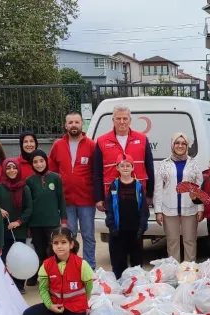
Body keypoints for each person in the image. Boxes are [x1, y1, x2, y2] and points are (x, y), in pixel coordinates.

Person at [22, 227, 94, 315]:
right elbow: (43, 288)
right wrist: (50, 305)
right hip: (55, 307)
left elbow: (89, 287)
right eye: (56, 243)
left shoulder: (82, 264)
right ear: (52, 245)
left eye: (63, 242)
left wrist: (84, 305)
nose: (59, 246)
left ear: (71, 245)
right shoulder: (46, 264)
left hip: (76, 308)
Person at [49, 112, 98, 268]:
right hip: (66, 200)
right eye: (70, 123)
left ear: (82, 124)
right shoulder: (58, 145)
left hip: (86, 199)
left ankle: (90, 268)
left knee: (88, 236)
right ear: (65, 125)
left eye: (76, 122)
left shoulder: (91, 145)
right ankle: (71, 266)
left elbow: (96, 171)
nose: (73, 125)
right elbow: (52, 171)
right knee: (69, 236)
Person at [93, 105, 156, 228]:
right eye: (118, 118)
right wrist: (99, 198)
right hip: (113, 195)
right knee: (115, 231)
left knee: (137, 232)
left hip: (137, 194)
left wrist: (149, 194)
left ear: (130, 120)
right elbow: (97, 172)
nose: (122, 122)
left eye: (125, 118)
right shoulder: (101, 141)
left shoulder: (142, 139)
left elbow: (149, 168)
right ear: (113, 120)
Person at [154, 132, 204, 262]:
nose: (180, 146)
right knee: (172, 241)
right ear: (172, 145)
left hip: (190, 208)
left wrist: (200, 207)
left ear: (187, 146)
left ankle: (189, 271)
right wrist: (158, 211)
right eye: (177, 143)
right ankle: (174, 271)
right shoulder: (164, 165)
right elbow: (158, 189)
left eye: (183, 143)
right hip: (168, 209)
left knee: (190, 241)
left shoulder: (194, 164)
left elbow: (199, 187)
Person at [24, 150, 67, 286]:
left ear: (46, 161)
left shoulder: (56, 178)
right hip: (36, 223)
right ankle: (36, 274)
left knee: (52, 250)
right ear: (31, 164)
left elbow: (61, 200)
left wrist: (64, 220)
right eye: (35, 162)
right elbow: (28, 204)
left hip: (52, 221)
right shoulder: (29, 181)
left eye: (41, 161)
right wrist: (28, 223)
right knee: (39, 250)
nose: (39, 164)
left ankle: (53, 276)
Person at [0, 160, 33, 294]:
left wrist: (18, 222)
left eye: (14, 168)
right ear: (4, 170)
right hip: (2, 230)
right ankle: (5, 284)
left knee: (18, 258)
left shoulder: (24, 188)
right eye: (8, 168)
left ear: (18, 170)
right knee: (4, 257)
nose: (11, 170)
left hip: (19, 230)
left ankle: (19, 285)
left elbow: (29, 208)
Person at [106, 154, 150, 278]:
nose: (125, 168)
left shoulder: (138, 186)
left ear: (132, 168)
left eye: (128, 166)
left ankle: (136, 285)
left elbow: (143, 209)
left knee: (136, 263)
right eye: (122, 166)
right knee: (118, 262)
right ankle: (120, 286)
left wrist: (142, 227)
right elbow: (109, 208)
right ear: (117, 168)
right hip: (118, 231)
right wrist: (111, 226)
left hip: (134, 231)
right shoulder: (114, 186)